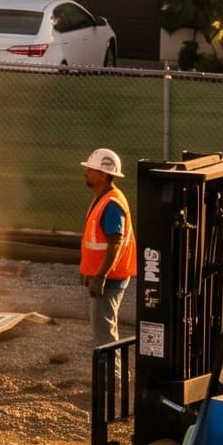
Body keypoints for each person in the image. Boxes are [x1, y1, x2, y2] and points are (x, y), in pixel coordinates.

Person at [79, 148, 137, 347]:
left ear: (103, 175)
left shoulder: (111, 204)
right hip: (105, 277)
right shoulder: (103, 198)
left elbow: (115, 243)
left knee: (104, 337)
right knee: (102, 332)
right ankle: (110, 377)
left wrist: (101, 275)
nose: (86, 172)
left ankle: (113, 378)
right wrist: (88, 270)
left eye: (91, 169)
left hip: (109, 279)